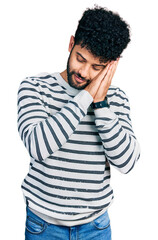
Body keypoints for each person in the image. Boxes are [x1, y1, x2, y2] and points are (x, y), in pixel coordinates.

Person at [17, 5, 140, 240]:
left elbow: (126, 162)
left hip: (96, 228)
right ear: (71, 43)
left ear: (111, 65)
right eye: (80, 59)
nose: (83, 72)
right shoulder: (34, 88)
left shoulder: (116, 99)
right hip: (43, 227)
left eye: (97, 67)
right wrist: (87, 96)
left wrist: (101, 103)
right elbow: (38, 147)